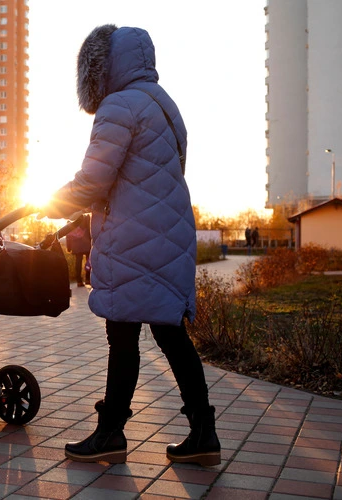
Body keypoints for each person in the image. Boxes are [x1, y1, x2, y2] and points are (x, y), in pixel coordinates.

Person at [40, 25, 220, 467]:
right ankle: (203, 433)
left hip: (133, 240)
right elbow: (149, 175)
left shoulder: (118, 105)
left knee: (122, 334)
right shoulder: (166, 106)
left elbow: (95, 179)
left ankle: (111, 433)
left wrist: (51, 203)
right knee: (170, 333)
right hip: (169, 235)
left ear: (102, 69)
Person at [66, 214, 92, 286]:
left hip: (76, 244)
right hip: (86, 242)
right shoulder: (86, 216)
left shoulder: (71, 216)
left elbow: (68, 234)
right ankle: (88, 279)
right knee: (88, 262)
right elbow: (90, 230)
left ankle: (79, 281)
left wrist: (69, 246)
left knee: (78, 262)